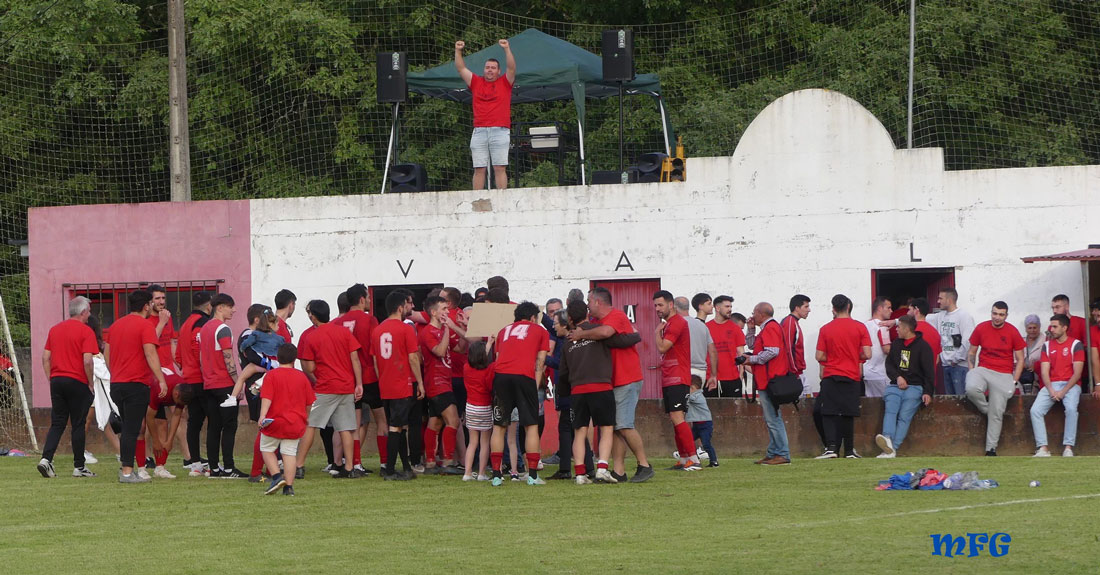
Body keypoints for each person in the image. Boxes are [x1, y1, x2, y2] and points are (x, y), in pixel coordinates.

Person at [567, 287, 652, 482]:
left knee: (623, 425)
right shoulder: (597, 322)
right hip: (613, 380)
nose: (587, 305)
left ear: (598, 302)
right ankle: (619, 471)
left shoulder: (616, 316)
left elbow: (605, 333)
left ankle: (644, 465)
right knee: (614, 427)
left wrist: (580, 336)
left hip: (626, 377)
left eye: (589, 301)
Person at [295, 299, 363, 479]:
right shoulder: (344, 332)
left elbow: (308, 366)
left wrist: (316, 375)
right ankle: (349, 467)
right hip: (346, 385)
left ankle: (299, 464)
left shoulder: (312, 337)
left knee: (311, 425)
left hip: (326, 387)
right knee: (346, 428)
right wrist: (359, 383)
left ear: (313, 316)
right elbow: (355, 359)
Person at [106, 290, 168, 483]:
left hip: (117, 384)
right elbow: (150, 353)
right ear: (146, 306)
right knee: (132, 429)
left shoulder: (116, 325)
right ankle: (126, 472)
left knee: (129, 427)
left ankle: (128, 469)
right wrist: (161, 379)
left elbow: (107, 353)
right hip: (136, 383)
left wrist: (114, 372)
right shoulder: (145, 325)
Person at [488, 301, 550, 486]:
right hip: (524, 377)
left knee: (499, 426)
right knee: (531, 426)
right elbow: (540, 361)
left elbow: (498, 358)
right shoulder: (540, 331)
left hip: (501, 377)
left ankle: (497, 475)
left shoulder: (503, 331)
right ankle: (532, 476)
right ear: (533, 317)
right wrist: (535, 384)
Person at [38, 296, 100, 478]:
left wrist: (52, 379)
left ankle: (46, 459)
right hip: (77, 380)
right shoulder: (86, 331)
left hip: (57, 379)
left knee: (57, 422)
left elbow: (45, 358)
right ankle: (79, 466)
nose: (89, 314)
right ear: (83, 312)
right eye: (88, 311)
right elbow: (88, 360)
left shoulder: (55, 329)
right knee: (78, 424)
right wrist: (90, 382)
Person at [373, 292, 425, 480]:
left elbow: (375, 360)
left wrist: (382, 379)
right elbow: (413, 357)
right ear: (400, 307)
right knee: (396, 427)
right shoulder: (405, 329)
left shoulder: (378, 330)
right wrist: (419, 382)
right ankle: (389, 470)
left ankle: (405, 467)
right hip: (401, 383)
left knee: (400, 426)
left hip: (386, 384)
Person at [814, 295, 872, 459]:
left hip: (831, 373)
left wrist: (833, 357)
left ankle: (831, 448)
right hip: (852, 374)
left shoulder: (825, 329)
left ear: (833, 309)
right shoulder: (860, 327)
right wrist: (854, 356)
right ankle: (849, 450)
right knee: (848, 412)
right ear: (848, 306)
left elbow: (819, 356)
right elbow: (867, 353)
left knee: (829, 412)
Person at [964, 301, 1025, 456]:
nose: (997, 317)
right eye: (994, 313)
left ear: (1006, 315)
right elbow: (971, 353)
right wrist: (972, 371)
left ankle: (991, 449)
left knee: (997, 411)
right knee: (971, 387)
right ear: (991, 313)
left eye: (1001, 314)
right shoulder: (981, 328)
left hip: (1004, 373)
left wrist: (1014, 381)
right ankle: (986, 409)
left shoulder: (1012, 331)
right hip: (984, 369)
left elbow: (1020, 359)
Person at [334, 283, 384, 475]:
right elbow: (374, 351)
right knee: (381, 420)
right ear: (362, 299)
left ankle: (355, 463)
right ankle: (384, 463)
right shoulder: (370, 320)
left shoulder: (338, 322)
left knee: (353, 423)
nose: (370, 301)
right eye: (368, 298)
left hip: (349, 379)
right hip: (369, 376)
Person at [454, 38, 516, 190]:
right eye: (487, 67)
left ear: (498, 71)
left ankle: (502, 200)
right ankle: (478, 201)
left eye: (493, 68)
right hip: (479, 130)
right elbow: (461, 69)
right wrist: (458, 50)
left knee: (500, 167)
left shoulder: (505, 82)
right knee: (479, 168)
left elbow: (512, 68)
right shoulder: (476, 82)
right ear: (484, 70)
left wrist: (507, 49)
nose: (490, 70)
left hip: (500, 130)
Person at [258, 343, 315, 496]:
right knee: (289, 453)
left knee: (267, 448)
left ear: (278, 357)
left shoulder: (272, 375)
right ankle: (289, 488)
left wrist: (262, 416)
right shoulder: (302, 377)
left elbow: (267, 398)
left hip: (275, 421)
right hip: (295, 422)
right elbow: (309, 402)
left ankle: (277, 477)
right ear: (294, 359)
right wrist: (306, 417)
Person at [875, 315, 934, 458]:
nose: (897, 329)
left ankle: (892, 448)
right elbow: (889, 365)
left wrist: (927, 392)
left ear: (907, 329)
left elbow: (929, 372)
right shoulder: (896, 344)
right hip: (895, 386)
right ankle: (887, 439)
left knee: (904, 417)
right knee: (890, 410)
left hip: (915, 387)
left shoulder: (923, 347)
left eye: (899, 327)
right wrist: (898, 377)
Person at [199, 293, 245, 478]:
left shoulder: (204, 329)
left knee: (213, 427)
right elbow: (229, 360)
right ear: (220, 307)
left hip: (209, 384)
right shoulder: (223, 329)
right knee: (229, 426)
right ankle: (228, 468)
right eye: (230, 306)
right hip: (224, 384)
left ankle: (214, 468)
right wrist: (238, 384)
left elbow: (202, 358)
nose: (233, 310)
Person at [418, 295, 465, 475]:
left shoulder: (442, 330)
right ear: (434, 312)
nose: (447, 312)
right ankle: (448, 461)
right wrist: (447, 329)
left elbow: (461, 347)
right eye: (444, 309)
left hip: (444, 381)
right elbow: (439, 350)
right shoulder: (428, 332)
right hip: (437, 382)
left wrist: (460, 327)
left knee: (435, 423)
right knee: (453, 420)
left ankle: (430, 462)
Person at [741, 302, 792, 465]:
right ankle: (773, 452)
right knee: (771, 418)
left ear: (761, 314)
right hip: (766, 380)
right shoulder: (768, 328)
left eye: (754, 313)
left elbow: (772, 351)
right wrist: (750, 330)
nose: (752, 315)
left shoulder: (770, 328)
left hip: (770, 380)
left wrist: (751, 359)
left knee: (773, 419)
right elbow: (752, 345)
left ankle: (782, 453)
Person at [654, 291, 700, 471]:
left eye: (660, 305)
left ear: (670, 304)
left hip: (678, 376)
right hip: (670, 376)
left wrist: (657, 333)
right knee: (675, 417)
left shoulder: (677, 322)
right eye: (656, 306)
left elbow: (663, 347)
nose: (657, 309)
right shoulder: (671, 323)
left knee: (677, 416)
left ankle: (693, 458)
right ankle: (683, 458)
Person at [1030, 314, 1084, 457]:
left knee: (1071, 409)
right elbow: (1044, 372)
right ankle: (1043, 448)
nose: (1051, 329)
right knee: (1035, 410)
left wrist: (1063, 391)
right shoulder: (1046, 346)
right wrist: (1052, 390)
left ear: (1064, 328)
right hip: (1051, 385)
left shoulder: (1076, 344)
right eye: (1051, 326)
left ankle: (1068, 447)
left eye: (1055, 326)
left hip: (1071, 385)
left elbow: (1077, 373)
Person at [177, 291, 212, 475]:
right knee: (214, 420)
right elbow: (200, 350)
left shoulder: (184, 325)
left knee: (194, 422)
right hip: (202, 379)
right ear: (209, 306)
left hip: (188, 378)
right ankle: (213, 464)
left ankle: (195, 462)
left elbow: (178, 356)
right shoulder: (202, 324)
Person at [929, 287, 975, 395]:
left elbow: (968, 341)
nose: (938, 301)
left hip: (959, 366)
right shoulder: (940, 316)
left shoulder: (964, 316)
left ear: (949, 300)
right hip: (946, 365)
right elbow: (921, 318)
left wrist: (956, 359)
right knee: (950, 400)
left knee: (960, 399)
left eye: (940, 298)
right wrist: (896, 321)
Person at [462, 341, 494, 481]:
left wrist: (489, 343)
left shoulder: (466, 368)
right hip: (485, 407)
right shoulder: (489, 369)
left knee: (472, 442)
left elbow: (479, 356)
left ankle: (467, 473)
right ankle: (481, 473)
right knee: (484, 442)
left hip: (470, 407)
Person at [706, 295, 747, 398]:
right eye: (727, 306)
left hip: (732, 378)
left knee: (734, 412)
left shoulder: (735, 329)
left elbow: (741, 354)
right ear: (717, 308)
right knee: (711, 411)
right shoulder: (706, 328)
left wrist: (741, 375)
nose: (730, 309)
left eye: (730, 307)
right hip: (710, 378)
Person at [676, 296, 719, 394]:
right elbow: (713, 351)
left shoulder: (676, 324)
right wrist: (713, 375)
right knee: (697, 402)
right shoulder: (702, 325)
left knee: (682, 406)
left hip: (682, 370)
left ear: (674, 308)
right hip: (700, 373)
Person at [862, 297, 893, 398]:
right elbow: (887, 349)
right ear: (879, 308)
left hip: (866, 372)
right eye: (888, 308)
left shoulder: (864, 325)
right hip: (879, 373)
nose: (891, 311)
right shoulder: (882, 326)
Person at [781, 295, 810, 396]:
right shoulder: (789, 322)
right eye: (806, 307)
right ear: (797, 308)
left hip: (799, 371)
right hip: (795, 373)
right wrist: (793, 372)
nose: (809, 310)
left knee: (807, 401)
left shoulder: (794, 322)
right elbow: (787, 348)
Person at [685, 378, 717, 467]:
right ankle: (694, 458)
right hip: (696, 425)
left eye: (689, 388)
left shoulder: (699, 396)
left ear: (694, 388)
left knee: (706, 443)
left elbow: (690, 399)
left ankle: (714, 461)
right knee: (689, 441)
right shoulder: (693, 396)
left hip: (705, 424)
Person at [147, 285, 178, 373]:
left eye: (163, 298)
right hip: (154, 369)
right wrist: (162, 323)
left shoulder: (167, 316)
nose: (161, 302)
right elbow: (151, 342)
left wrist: (179, 364)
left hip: (169, 368)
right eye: (157, 298)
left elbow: (171, 342)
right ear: (150, 301)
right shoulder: (146, 319)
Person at [1021, 314, 1044, 394]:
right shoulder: (1021, 341)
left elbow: (1048, 359)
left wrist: (1036, 366)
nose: (1032, 330)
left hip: (1038, 377)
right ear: (1026, 329)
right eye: (1029, 328)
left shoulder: (1045, 341)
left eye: (1035, 327)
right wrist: (1021, 364)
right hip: (1022, 376)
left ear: (1039, 327)